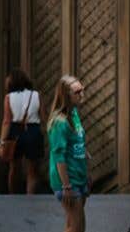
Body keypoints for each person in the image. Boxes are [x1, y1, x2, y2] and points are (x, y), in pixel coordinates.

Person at [48, 75, 88, 232]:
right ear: (66, 96)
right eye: (77, 92)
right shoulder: (59, 122)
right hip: (68, 181)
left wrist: (87, 174)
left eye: (82, 90)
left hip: (79, 177)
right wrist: (66, 186)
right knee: (76, 227)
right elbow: (59, 156)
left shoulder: (74, 114)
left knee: (75, 225)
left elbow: (79, 144)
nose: (81, 94)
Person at [0, 68, 43, 194]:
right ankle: (30, 197)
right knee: (33, 171)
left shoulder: (8, 97)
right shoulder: (36, 95)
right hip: (33, 130)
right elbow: (42, 116)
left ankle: (14, 198)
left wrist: (2, 142)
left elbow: (6, 121)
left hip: (15, 131)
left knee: (14, 167)